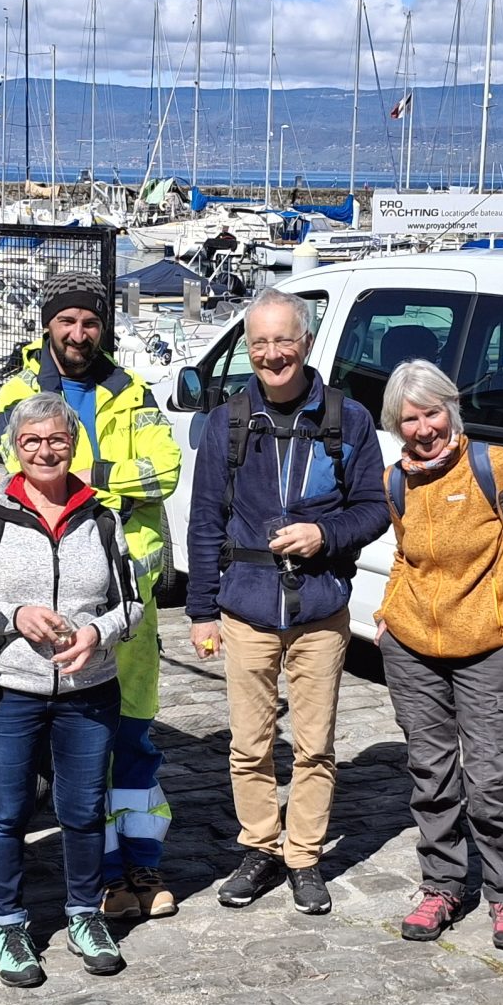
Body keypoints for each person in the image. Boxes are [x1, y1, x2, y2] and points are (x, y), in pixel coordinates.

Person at [185, 289, 390, 916]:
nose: (272, 354)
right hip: (246, 607)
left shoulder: (349, 419)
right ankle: (259, 846)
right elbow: (204, 521)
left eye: (283, 340)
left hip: (320, 610)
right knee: (248, 745)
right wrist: (201, 611)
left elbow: (375, 508)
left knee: (314, 745)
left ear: (305, 343)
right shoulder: (227, 421)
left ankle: (303, 854)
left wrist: (325, 535)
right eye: (260, 343)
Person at [0, 281, 184, 922]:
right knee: (82, 753)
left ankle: (142, 862)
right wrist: (116, 483)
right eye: (67, 320)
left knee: (134, 740)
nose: (79, 333)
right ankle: (101, 875)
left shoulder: (133, 391)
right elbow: (21, 471)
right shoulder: (18, 391)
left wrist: (90, 477)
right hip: (56, 600)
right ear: (48, 325)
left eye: (90, 322)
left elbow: (166, 470)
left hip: (127, 599)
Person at [0, 394, 146, 986]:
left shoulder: (102, 517)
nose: (45, 451)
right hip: (9, 690)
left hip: (89, 689)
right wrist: (15, 616)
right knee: (7, 813)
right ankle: (7, 923)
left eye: (57, 440)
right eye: (32, 441)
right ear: (14, 448)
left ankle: (85, 915)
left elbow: (132, 605)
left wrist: (98, 632)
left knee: (84, 811)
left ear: (74, 444)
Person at [373, 360, 503, 952]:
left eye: (432, 413)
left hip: (490, 648)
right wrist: (388, 614)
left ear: (452, 410)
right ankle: (442, 885)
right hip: (413, 648)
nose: (424, 428)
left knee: (491, 781)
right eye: (409, 419)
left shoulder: (493, 466)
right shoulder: (396, 481)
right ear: (395, 425)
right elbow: (404, 555)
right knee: (431, 775)